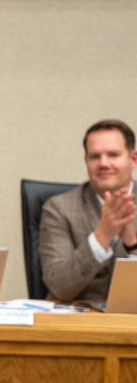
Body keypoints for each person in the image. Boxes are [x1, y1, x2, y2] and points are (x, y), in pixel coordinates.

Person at [40, 119, 137, 301]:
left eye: (113, 155)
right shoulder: (58, 209)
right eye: (95, 156)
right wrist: (102, 236)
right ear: (86, 161)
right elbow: (59, 288)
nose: (103, 163)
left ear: (133, 159)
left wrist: (133, 245)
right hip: (77, 323)